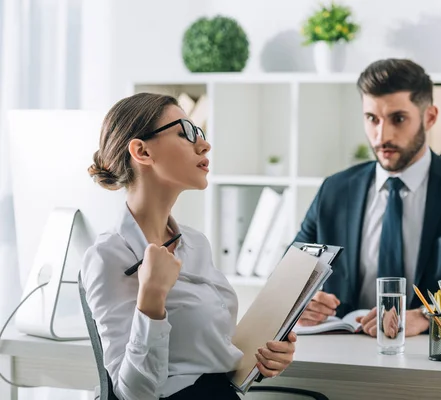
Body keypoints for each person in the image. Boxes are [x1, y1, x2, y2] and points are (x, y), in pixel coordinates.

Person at [81, 93, 296, 400]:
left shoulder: (195, 243)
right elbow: (134, 394)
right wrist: (151, 299)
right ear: (141, 151)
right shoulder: (108, 257)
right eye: (186, 133)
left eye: (202, 134)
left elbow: (205, 352)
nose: (204, 145)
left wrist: (265, 355)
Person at [295, 58, 441, 338]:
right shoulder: (335, 190)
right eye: (372, 119)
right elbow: (286, 288)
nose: (382, 135)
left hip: (430, 366)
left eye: (398, 119)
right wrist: (302, 304)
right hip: (344, 362)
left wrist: (429, 316)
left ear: (429, 117)